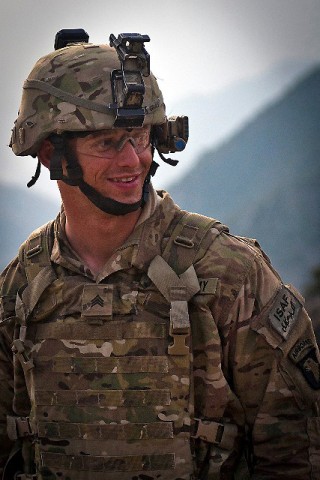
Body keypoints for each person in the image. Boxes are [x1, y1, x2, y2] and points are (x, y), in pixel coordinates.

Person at [0, 29, 319, 480]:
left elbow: (295, 453)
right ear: (53, 153)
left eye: (141, 137)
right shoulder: (20, 288)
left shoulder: (227, 274)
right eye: (107, 143)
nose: (133, 160)